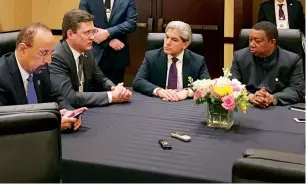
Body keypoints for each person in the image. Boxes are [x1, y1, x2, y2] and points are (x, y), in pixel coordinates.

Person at [0, 22, 86, 131]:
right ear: (22, 49)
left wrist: (71, 113)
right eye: (43, 53)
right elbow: (4, 123)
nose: (48, 61)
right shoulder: (2, 77)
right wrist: (50, 125)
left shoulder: (40, 69)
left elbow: (54, 96)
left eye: (51, 53)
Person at [49, 9, 132, 108]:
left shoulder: (88, 51)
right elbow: (70, 97)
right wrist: (111, 96)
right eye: (87, 32)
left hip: (85, 107)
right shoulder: (57, 57)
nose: (92, 37)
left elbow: (101, 79)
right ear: (70, 34)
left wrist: (114, 89)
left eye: (93, 32)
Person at [230, 21, 304, 107]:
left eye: (258, 41)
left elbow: (297, 90)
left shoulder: (292, 60)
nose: (252, 44)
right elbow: (232, 85)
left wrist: (272, 98)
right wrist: (250, 96)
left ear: (272, 42)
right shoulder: (239, 57)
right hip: (248, 107)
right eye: (250, 40)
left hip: (279, 108)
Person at [133, 21, 210, 102]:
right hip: (158, 102)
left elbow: (207, 85)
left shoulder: (198, 61)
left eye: (174, 40)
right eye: (167, 37)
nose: (167, 42)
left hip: (185, 104)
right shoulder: (151, 57)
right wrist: (159, 91)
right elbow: (138, 81)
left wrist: (187, 92)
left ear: (185, 44)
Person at [79, 0, 137, 84]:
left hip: (117, 55)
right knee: (92, 93)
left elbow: (131, 23)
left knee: (116, 92)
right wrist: (108, 41)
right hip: (93, 54)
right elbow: (82, 23)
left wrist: (108, 33)